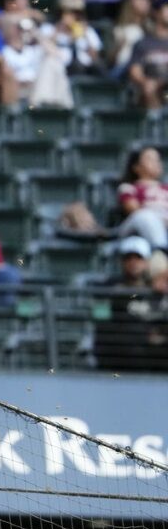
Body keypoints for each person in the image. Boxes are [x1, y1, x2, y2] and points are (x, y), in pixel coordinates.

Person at [94, 236, 168, 369]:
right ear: (121, 261)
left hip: (152, 357)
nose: (133, 262)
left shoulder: (156, 288)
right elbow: (100, 320)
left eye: (138, 258)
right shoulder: (107, 289)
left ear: (146, 262)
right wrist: (144, 334)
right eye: (128, 258)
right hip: (120, 355)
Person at [116, 146, 168, 252]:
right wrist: (161, 220)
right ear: (136, 167)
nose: (156, 163)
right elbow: (135, 211)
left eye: (157, 160)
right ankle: (162, 252)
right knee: (145, 216)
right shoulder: (128, 187)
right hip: (135, 228)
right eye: (150, 159)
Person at [45, 0, 105, 76]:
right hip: (59, 69)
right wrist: (58, 30)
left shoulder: (87, 31)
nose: (72, 16)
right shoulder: (50, 29)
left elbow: (95, 56)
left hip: (85, 69)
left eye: (76, 12)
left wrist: (85, 35)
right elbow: (45, 51)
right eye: (68, 12)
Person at [128, 0, 168, 109]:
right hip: (153, 88)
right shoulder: (143, 43)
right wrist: (146, 82)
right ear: (156, 13)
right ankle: (156, 124)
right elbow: (134, 71)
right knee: (148, 88)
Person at [110, 0, 152, 78]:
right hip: (124, 71)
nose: (145, 1)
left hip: (149, 69)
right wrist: (119, 46)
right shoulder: (119, 28)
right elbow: (111, 59)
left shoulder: (153, 27)